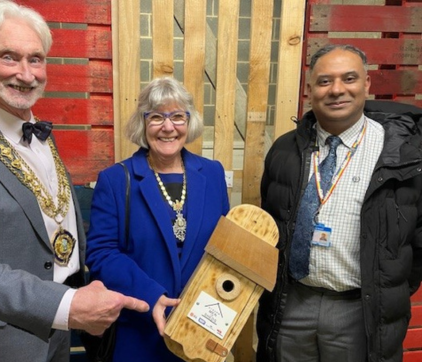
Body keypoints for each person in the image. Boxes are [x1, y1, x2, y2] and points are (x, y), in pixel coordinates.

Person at [0, 1, 148, 361]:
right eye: (9, 57)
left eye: (35, 59)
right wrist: (67, 304)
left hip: (58, 339)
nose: (26, 74)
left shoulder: (43, 137)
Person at [257, 44, 422, 362]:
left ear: (367, 84)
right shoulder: (284, 151)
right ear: (309, 89)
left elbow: (417, 244)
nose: (336, 90)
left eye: (349, 78)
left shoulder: (403, 157)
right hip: (291, 305)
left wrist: (383, 290)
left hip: (359, 312)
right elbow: (271, 223)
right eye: (324, 81)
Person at [85, 77, 230, 362]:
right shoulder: (115, 180)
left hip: (201, 331)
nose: (168, 127)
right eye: (156, 117)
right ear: (143, 124)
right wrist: (151, 295)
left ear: (189, 122)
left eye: (177, 116)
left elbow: (222, 249)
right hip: (138, 332)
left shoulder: (212, 174)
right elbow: (102, 253)